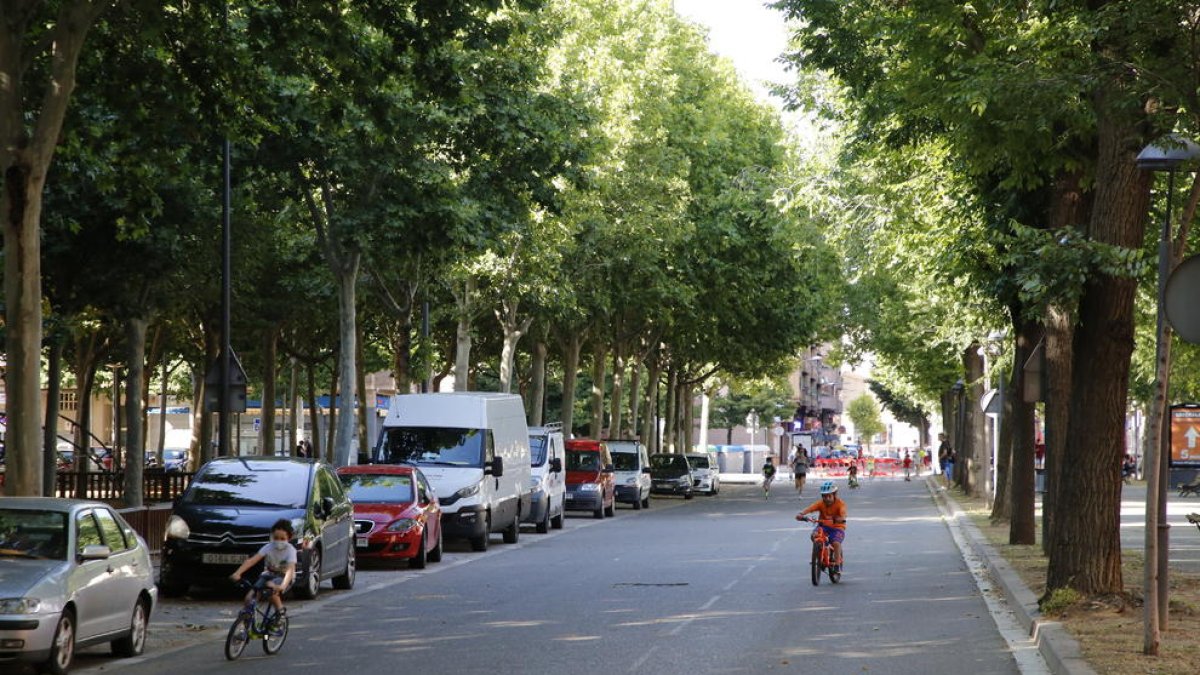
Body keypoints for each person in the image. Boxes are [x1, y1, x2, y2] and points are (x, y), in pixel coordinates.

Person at [230, 518, 297, 626]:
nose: (278, 541)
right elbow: (251, 561)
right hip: (268, 574)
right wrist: (238, 573)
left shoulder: (290, 550)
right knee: (249, 598)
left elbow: (290, 570)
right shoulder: (268, 547)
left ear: (289, 538)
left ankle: (280, 613)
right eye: (275, 538)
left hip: (283, 577)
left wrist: (282, 586)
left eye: (282, 538)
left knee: (270, 591)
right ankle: (245, 628)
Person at [796, 481, 847, 569]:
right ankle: (819, 555)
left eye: (829, 496)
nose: (826, 498)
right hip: (823, 526)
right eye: (824, 496)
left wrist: (840, 519)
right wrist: (802, 514)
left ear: (834, 495)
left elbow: (843, 515)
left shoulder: (840, 504)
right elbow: (811, 508)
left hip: (837, 527)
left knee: (836, 543)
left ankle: (837, 564)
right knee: (814, 535)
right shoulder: (821, 503)